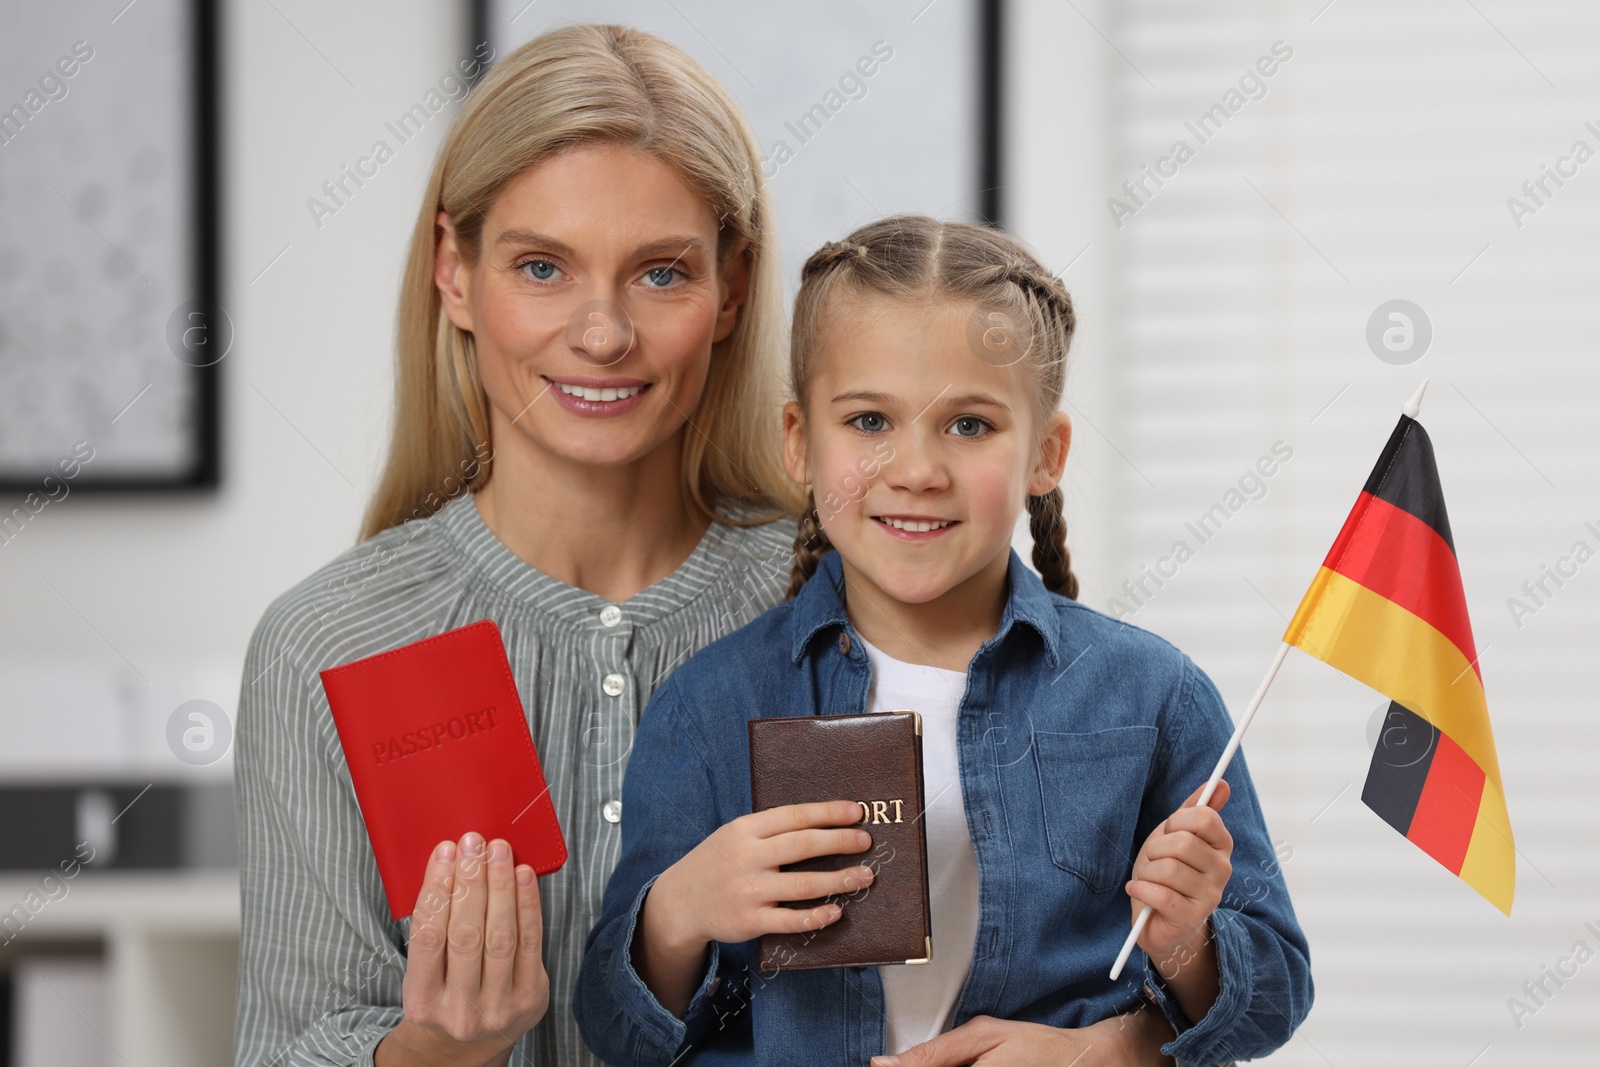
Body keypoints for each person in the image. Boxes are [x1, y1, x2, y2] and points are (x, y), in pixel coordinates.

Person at [575, 216, 1314, 1065]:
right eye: (867, 421)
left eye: (969, 425)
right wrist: (676, 913)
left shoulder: (1152, 695)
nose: (917, 468)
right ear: (798, 442)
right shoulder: (708, 705)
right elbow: (612, 1028)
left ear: (1047, 452)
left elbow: (1275, 993)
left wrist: (1164, 977)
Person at [233, 25, 806, 1067]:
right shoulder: (328, 642)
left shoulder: (834, 598)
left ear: (732, 286)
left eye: (661, 273)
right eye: (541, 265)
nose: (601, 333)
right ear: (453, 270)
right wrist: (443, 1045)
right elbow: (286, 1044)